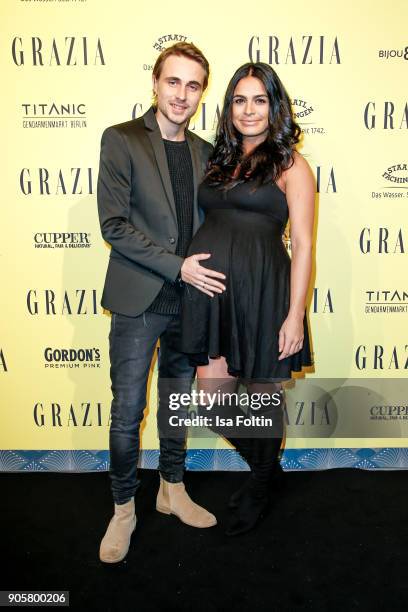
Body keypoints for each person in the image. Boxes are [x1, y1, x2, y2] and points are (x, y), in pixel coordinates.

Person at [97, 42, 227, 564]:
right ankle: (124, 509)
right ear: (155, 83)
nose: (182, 94)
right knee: (128, 411)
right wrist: (177, 267)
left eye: (193, 85)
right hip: (138, 299)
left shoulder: (203, 152)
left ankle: (171, 489)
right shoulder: (121, 140)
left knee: (176, 404)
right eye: (173, 82)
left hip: (189, 303)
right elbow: (114, 225)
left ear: (201, 93)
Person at [178, 62, 315, 535]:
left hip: (264, 295)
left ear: (274, 107)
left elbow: (303, 244)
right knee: (214, 401)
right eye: (240, 100)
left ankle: (258, 484)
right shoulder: (218, 160)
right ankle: (267, 470)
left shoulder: (292, 165)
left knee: (260, 399)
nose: (249, 110)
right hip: (212, 296)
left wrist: (294, 315)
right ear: (229, 107)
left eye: (259, 100)